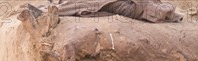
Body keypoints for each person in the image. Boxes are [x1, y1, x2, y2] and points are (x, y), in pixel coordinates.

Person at [30, 0, 183, 23]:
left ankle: (47, 12)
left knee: (90, 3)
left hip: (134, 7)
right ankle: (49, 10)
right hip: (130, 5)